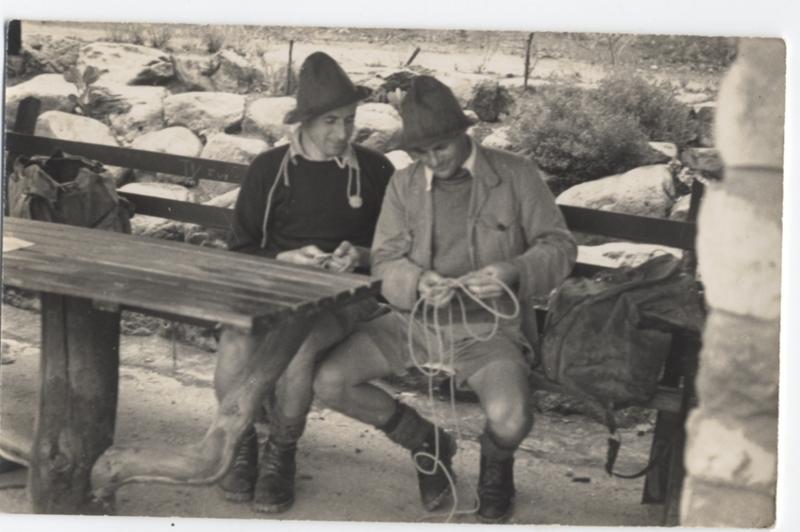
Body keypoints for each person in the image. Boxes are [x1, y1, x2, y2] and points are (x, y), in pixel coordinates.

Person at [311, 75, 577, 523]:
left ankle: (496, 467)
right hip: (413, 323)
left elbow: (560, 247)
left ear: (463, 133)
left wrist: (513, 271)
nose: (432, 161)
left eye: (441, 148)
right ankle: (427, 442)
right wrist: (417, 282)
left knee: (512, 419)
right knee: (330, 382)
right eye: (420, 153)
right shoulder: (405, 184)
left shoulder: (514, 174)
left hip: (489, 331)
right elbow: (386, 259)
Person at [217, 51, 394, 513]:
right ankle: (240, 443)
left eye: (350, 120)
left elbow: (397, 251)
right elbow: (241, 248)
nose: (342, 133)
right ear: (306, 121)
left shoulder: (376, 171)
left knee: (296, 346)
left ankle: (282, 453)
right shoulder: (270, 169)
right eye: (331, 121)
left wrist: (360, 255)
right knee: (237, 339)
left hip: (346, 298)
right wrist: (285, 257)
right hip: (273, 287)